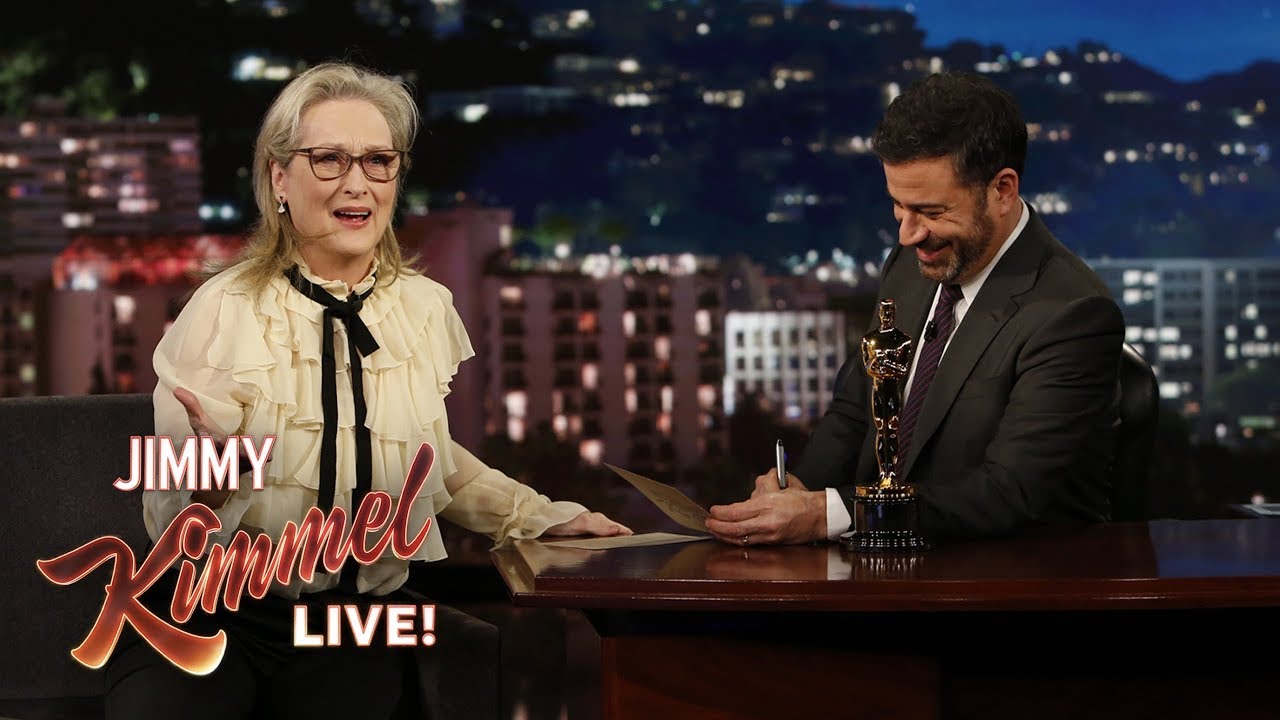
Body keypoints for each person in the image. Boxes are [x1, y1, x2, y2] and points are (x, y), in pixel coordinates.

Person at [104, 61, 630, 720]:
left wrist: (542, 516)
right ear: (279, 178)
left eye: (378, 161)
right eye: (328, 159)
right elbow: (168, 513)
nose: (357, 183)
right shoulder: (223, 307)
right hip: (205, 611)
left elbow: (428, 459)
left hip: (349, 626)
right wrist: (212, 478)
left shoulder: (424, 308)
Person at [706, 72, 1124, 546]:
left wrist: (826, 513)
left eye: (931, 211)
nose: (907, 234)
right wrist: (800, 491)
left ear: (1002, 191)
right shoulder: (910, 266)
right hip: (885, 564)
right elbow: (856, 410)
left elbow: (1007, 494)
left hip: (1008, 575)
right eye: (898, 206)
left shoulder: (1073, 313)